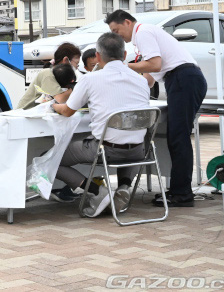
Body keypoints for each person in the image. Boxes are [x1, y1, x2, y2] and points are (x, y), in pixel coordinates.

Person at [106, 9, 206, 208]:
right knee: (175, 137)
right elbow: (148, 80)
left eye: (117, 31)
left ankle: (182, 194)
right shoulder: (143, 38)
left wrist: (123, 67)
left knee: (178, 138)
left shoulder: (143, 32)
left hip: (183, 79)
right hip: (182, 80)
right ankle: (178, 189)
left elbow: (154, 64)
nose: (118, 36)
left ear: (127, 22)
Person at [51, 32, 152, 217]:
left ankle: (97, 192)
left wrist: (53, 105)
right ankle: (124, 187)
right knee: (129, 137)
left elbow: (67, 111)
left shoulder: (90, 79)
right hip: (138, 151)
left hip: (106, 150)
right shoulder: (141, 80)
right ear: (124, 55)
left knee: (52, 159)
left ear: (97, 56)